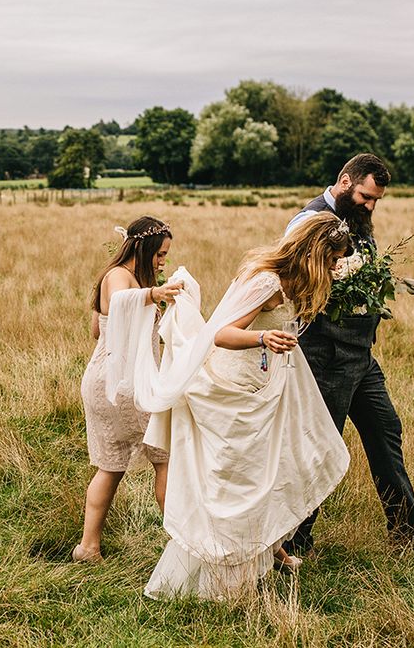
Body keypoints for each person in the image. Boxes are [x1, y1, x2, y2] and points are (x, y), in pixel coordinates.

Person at [128, 213, 352, 599]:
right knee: (239, 484)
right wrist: (264, 337)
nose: (335, 268)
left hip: (263, 386)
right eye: (331, 261)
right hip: (234, 389)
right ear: (314, 254)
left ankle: (267, 550)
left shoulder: (294, 280)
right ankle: (224, 579)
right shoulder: (266, 281)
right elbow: (222, 334)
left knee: (273, 470)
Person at [283, 153, 414, 556]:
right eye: (366, 196)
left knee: (386, 432)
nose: (370, 205)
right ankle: (292, 542)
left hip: (361, 357)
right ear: (344, 180)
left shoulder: (358, 223)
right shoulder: (308, 221)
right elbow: (292, 283)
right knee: (321, 448)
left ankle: (407, 531)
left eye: (376, 200)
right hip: (324, 357)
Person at [73, 216, 184, 563]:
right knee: (167, 460)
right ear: (142, 246)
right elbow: (122, 302)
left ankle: (88, 548)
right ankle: (182, 550)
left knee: (111, 465)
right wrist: (152, 294)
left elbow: (97, 329)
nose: (163, 261)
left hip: (104, 380)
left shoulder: (117, 277)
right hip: (125, 385)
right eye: (160, 254)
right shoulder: (120, 277)